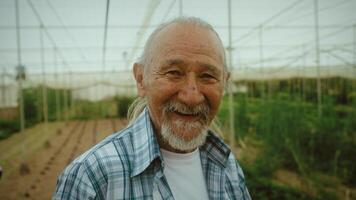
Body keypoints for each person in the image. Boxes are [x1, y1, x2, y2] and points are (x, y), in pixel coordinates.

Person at [53, 16, 251, 200]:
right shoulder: (92, 177)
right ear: (141, 80)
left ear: (224, 83)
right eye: (174, 72)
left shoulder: (228, 166)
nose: (191, 97)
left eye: (208, 76)